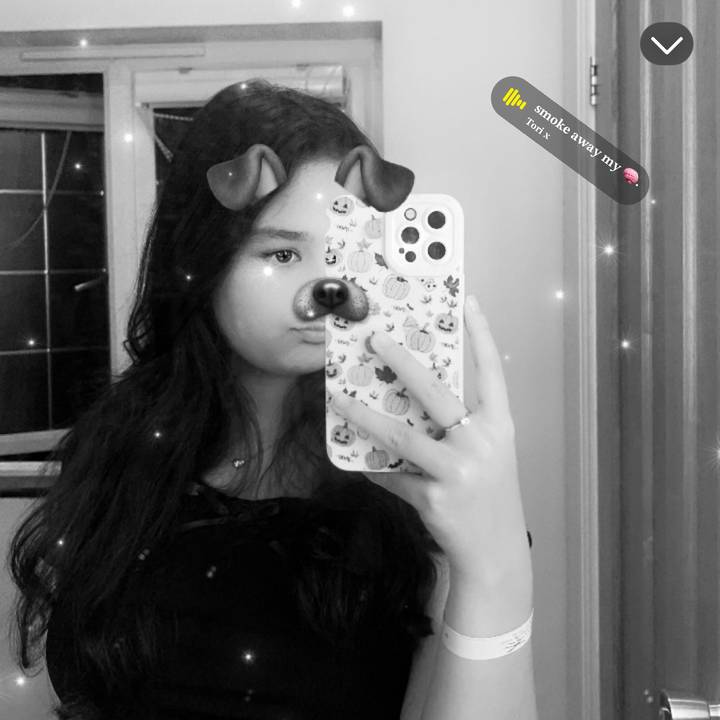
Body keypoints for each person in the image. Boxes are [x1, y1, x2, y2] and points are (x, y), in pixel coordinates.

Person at [7, 79, 537, 719]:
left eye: (349, 252)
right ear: (204, 257)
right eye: (283, 252)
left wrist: (497, 566)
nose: (328, 288)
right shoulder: (120, 449)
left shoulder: (408, 490)